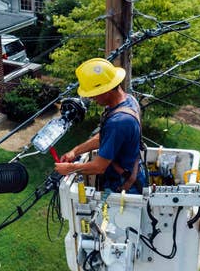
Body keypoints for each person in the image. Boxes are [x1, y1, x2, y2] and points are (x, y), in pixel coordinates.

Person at [55, 58, 146, 194]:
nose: (92, 99)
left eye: (93, 94)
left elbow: (99, 167)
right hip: (129, 175)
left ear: (106, 90)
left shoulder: (119, 122)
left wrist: (69, 169)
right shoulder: (128, 100)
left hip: (123, 188)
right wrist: (75, 151)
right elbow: (103, 138)